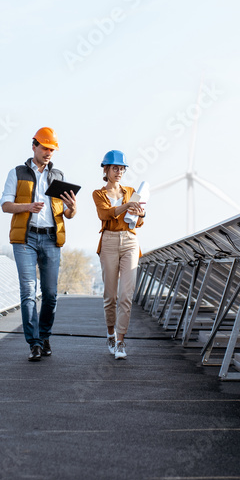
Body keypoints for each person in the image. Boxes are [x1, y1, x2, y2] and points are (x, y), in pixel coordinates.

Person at [0, 127, 77, 362]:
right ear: (34, 146)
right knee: (28, 292)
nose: (48, 153)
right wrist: (27, 207)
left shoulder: (59, 176)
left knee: (51, 294)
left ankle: (44, 337)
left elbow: (66, 213)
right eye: (45, 148)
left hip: (52, 239)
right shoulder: (17, 173)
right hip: (26, 238)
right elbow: (5, 205)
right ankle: (33, 343)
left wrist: (72, 208)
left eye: (52, 149)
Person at [91, 150, 144, 360]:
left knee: (126, 296)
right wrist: (126, 206)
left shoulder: (131, 191)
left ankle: (121, 341)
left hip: (130, 240)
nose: (119, 172)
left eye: (122, 168)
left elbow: (138, 222)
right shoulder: (98, 194)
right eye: (115, 168)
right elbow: (104, 214)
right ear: (106, 170)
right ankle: (110, 333)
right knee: (110, 296)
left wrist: (140, 214)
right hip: (109, 242)